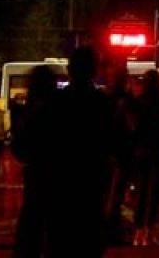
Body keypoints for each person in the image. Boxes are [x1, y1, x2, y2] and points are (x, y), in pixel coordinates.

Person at [44, 46, 115, 258]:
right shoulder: (102, 103)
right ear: (95, 70)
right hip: (92, 184)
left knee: (60, 244)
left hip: (60, 185)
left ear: (69, 70)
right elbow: (117, 142)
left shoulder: (55, 103)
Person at [10, 66, 60, 258]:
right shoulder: (62, 108)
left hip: (38, 176)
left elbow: (20, 148)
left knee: (32, 227)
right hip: (61, 177)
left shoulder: (33, 112)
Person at [129, 70, 159, 247]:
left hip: (141, 151)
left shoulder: (138, 103)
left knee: (141, 190)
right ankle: (148, 229)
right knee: (153, 192)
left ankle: (138, 231)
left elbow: (134, 128)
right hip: (158, 151)